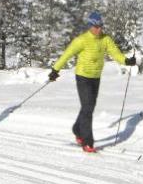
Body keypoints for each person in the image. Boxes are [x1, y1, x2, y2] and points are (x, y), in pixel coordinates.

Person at [48, 10, 134, 153]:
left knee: (88, 107)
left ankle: (77, 128)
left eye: (101, 26)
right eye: (96, 26)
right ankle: (88, 142)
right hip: (82, 77)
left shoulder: (106, 39)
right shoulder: (81, 40)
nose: (99, 29)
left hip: (96, 77)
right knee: (88, 107)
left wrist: (127, 61)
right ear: (90, 26)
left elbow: (115, 53)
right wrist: (55, 70)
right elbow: (66, 55)